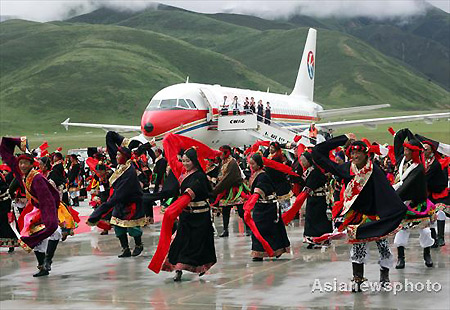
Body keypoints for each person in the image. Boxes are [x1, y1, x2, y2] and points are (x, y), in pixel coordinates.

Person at [312, 134, 406, 291]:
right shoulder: (346, 169)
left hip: (374, 215)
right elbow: (317, 153)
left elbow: (386, 193)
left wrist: (395, 211)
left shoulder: (374, 171)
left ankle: (384, 275)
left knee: (383, 246)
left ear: (366, 154)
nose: (355, 156)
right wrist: (342, 139)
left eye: (358, 153)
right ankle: (357, 279)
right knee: (357, 248)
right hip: (355, 215)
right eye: (352, 153)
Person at [149, 134, 217, 281]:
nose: (185, 163)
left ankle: (202, 266)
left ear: (194, 162)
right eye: (184, 161)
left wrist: (172, 209)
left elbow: (188, 194)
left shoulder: (199, 177)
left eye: (188, 161)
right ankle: (178, 269)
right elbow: (173, 160)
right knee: (181, 241)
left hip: (200, 215)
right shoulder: (184, 173)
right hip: (186, 215)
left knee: (199, 243)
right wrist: (168, 141)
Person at [0, 137, 61, 277]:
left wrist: (49, 220)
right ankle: (42, 266)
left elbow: (47, 201)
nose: (21, 165)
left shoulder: (37, 178)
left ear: (31, 164)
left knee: (55, 231)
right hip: (35, 209)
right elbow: (5, 150)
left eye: (25, 163)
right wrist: (18, 142)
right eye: (20, 163)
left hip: (50, 207)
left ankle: (48, 260)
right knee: (35, 235)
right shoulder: (22, 175)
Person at [88, 146, 146, 257]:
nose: (116, 156)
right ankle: (125, 249)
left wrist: (103, 208)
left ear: (124, 157)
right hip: (120, 201)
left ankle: (138, 245)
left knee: (132, 227)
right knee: (118, 226)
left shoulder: (130, 171)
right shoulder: (121, 167)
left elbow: (121, 191)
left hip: (130, 203)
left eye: (119, 155)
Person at [392, 129, 435, 269]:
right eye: (404, 149)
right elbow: (398, 140)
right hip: (402, 201)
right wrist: (406, 133)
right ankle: (401, 258)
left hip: (416, 203)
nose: (404, 152)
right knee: (402, 231)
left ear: (414, 153)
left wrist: (392, 198)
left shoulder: (418, 169)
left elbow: (406, 186)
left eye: (408, 150)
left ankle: (427, 254)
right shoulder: (401, 160)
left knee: (425, 231)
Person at [245, 153, 290, 261]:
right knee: (260, 229)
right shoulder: (255, 174)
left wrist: (251, 203)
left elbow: (260, 189)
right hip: (259, 206)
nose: (251, 166)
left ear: (259, 164)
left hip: (268, 207)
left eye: (253, 164)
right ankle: (260, 251)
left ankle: (271, 250)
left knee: (267, 229)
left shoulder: (263, 175)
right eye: (250, 164)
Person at [211, 145, 249, 237]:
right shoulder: (223, 162)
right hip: (226, 190)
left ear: (226, 153)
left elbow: (227, 178)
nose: (219, 155)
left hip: (235, 190)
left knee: (241, 211)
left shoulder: (232, 163)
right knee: (225, 211)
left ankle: (248, 228)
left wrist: (215, 190)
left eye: (221, 153)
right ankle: (225, 230)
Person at [300, 152, 332, 248]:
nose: (302, 163)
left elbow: (310, 185)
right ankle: (312, 239)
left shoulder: (314, 171)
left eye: (304, 161)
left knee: (319, 219)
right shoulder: (309, 171)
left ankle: (321, 239)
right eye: (301, 161)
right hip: (312, 198)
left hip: (318, 199)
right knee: (311, 219)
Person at [422, 140, 449, 247]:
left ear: (432, 150)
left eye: (426, 149)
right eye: (422, 149)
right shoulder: (421, 162)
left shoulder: (438, 163)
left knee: (440, 211)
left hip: (439, 193)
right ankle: (433, 238)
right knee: (430, 216)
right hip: (428, 194)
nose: (424, 151)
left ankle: (441, 238)